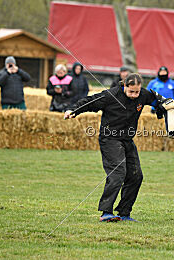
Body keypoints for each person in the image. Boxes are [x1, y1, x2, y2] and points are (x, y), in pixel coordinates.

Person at [64, 73, 166, 222]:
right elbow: (90, 101)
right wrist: (73, 110)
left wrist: (164, 108)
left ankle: (124, 213)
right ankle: (106, 212)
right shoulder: (111, 95)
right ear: (124, 86)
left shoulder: (142, 95)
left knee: (136, 176)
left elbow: (157, 101)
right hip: (109, 139)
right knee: (118, 172)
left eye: (137, 92)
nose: (134, 95)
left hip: (127, 139)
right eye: (131, 91)